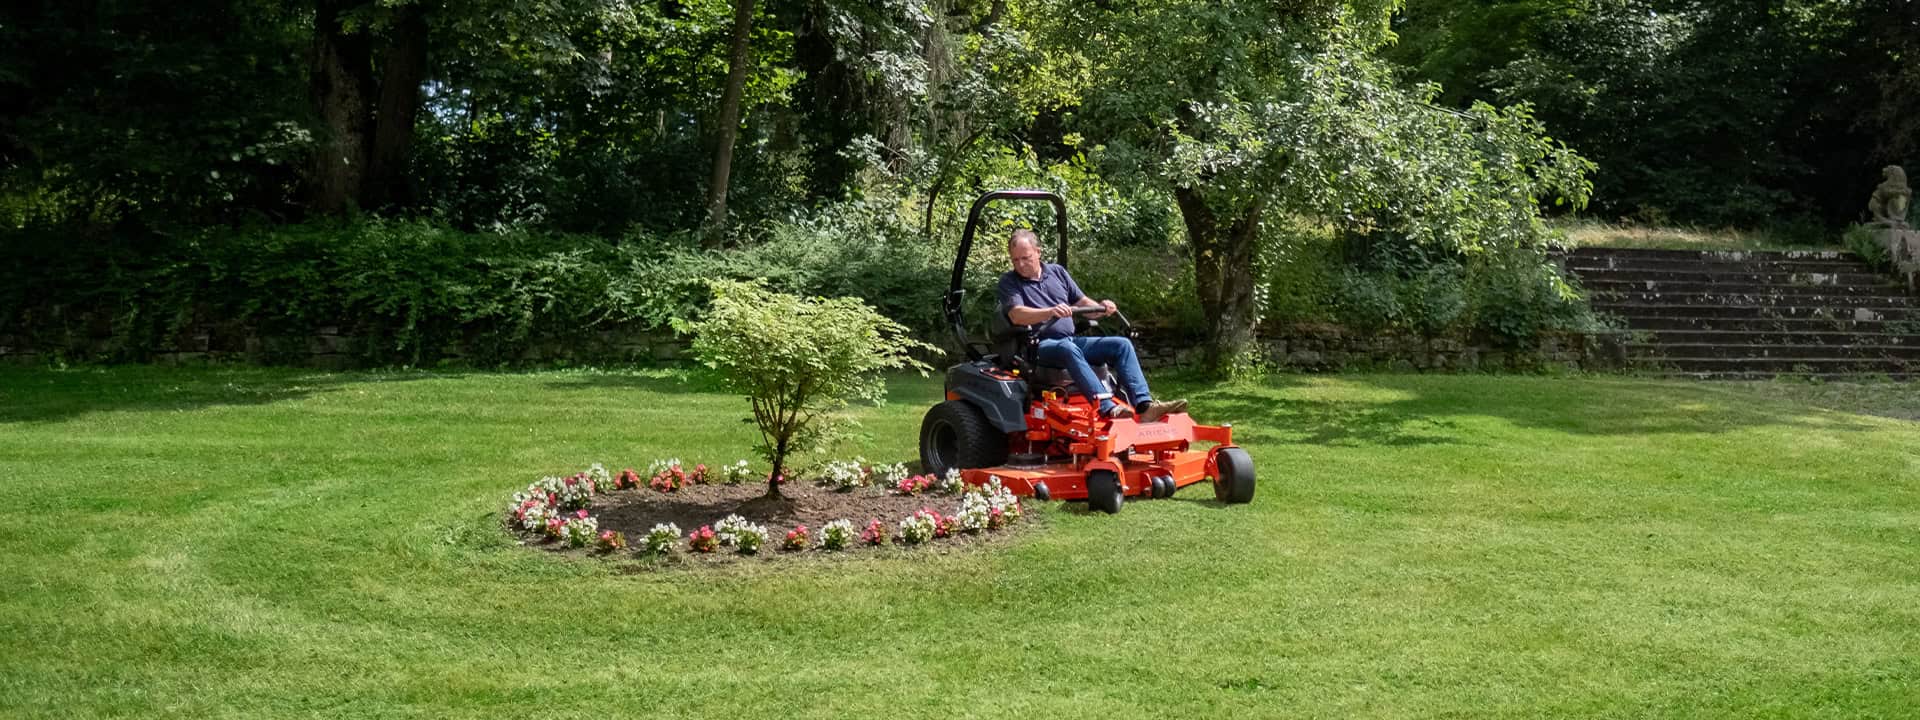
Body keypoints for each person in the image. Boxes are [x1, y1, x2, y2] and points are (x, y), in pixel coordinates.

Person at [996, 228, 1189, 422]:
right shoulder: (1009, 282)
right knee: (1067, 348)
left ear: (1038, 252)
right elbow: (1016, 315)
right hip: (1039, 346)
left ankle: (1144, 406)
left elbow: (1083, 303)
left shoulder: (1057, 273)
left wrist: (1102, 308)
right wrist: (1050, 311)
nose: (1020, 264)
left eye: (1025, 258)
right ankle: (1107, 407)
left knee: (1121, 345)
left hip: (1069, 341)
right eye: (1015, 260)